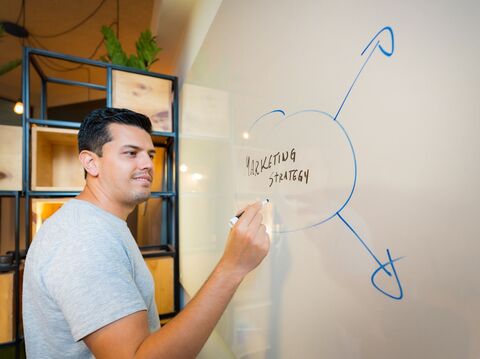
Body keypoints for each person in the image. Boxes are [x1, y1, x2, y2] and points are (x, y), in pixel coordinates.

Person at [23, 107, 270, 358]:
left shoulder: (97, 225)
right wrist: (232, 268)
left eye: (150, 154)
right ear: (91, 162)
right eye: (131, 153)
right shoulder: (84, 238)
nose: (148, 164)